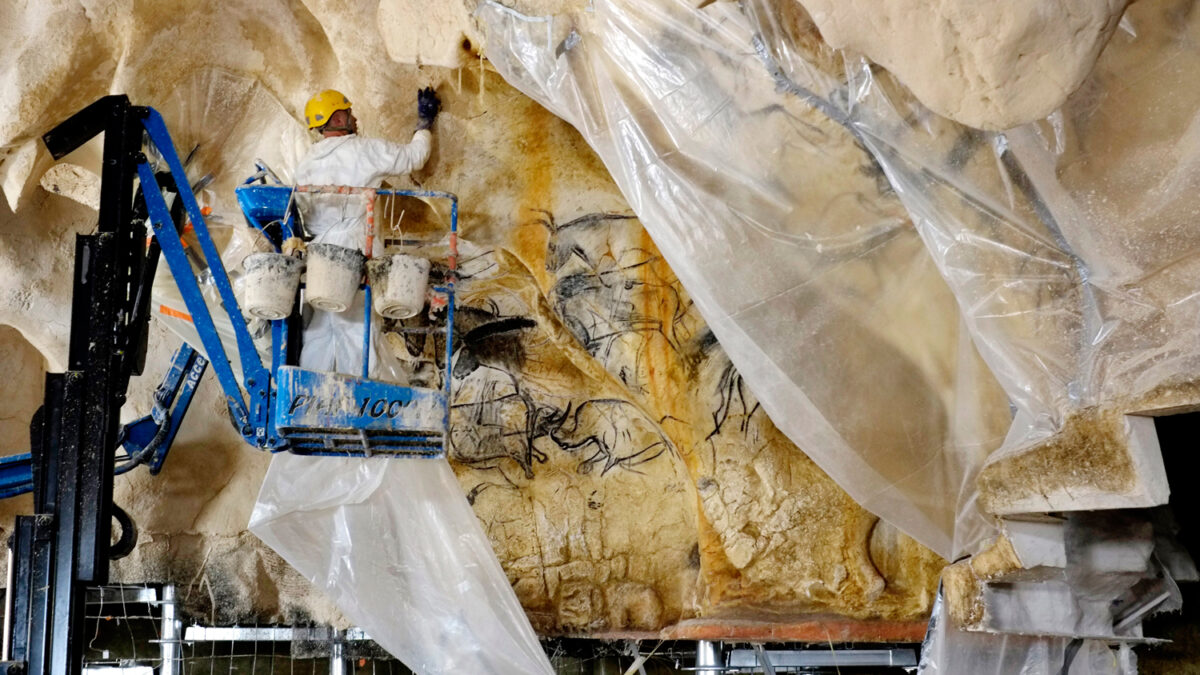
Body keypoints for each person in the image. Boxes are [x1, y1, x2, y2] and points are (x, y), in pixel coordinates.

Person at [293, 87, 440, 377]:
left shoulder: (306, 163)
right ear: (336, 119)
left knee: (320, 326)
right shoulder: (363, 149)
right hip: (355, 250)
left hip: (319, 257)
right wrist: (424, 123)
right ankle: (359, 394)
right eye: (348, 112)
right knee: (358, 325)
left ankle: (311, 393)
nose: (354, 117)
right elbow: (414, 158)